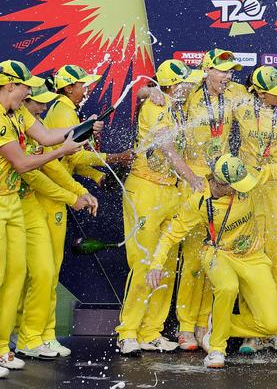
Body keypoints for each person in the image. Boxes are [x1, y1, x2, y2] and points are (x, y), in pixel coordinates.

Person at [146, 152, 277, 369]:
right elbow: (171, 234)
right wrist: (156, 265)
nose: (242, 188)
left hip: (253, 257)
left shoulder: (245, 178)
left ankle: (214, 326)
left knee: (271, 324)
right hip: (219, 254)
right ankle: (217, 349)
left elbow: (273, 171)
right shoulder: (199, 200)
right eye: (234, 186)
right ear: (220, 183)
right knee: (228, 287)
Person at [0, 60, 86, 374]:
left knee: (15, 277)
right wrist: (61, 151)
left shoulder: (18, 112)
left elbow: (48, 135)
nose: (30, 93)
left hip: (13, 202)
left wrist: (80, 127)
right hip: (2, 205)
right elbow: (24, 165)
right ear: (10, 85)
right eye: (26, 87)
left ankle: (3, 350)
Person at [115, 59, 204, 355]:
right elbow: (166, 148)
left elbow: (145, 91)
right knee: (142, 264)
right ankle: (128, 331)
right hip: (145, 190)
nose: (189, 86)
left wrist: (148, 89)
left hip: (170, 192)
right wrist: (193, 179)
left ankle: (151, 331)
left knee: (165, 264)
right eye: (184, 82)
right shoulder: (156, 107)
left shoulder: (174, 105)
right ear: (171, 84)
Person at [42, 64, 132, 356]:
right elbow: (69, 156)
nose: (88, 89)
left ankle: (40, 336)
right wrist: (116, 157)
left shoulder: (67, 109)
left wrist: (96, 177)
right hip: (49, 198)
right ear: (69, 88)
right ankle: (38, 338)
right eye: (83, 85)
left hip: (57, 195)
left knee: (48, 268)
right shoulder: (65, 112)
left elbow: (74, 160)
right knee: (46, 270)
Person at [14, 84, 98, 360]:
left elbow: (50, 167)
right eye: (38, 103)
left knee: (43, 273)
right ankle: (23, 337)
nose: (43, 109)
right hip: (21, 204)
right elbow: (31, 173)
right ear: (22, 100)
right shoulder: (15, 125)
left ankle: (34, 336)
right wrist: (71, 195)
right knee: (21, 276)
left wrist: (80, 191)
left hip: (29, 204)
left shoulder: (30, 124)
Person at [175, 48, 245, 351]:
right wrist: (148, 91)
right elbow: (161, 91)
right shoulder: (189, 93)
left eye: (230, 71)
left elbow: (266, 93)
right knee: (192, 259)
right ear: (206, 70)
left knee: (212, 256)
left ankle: (205, 324)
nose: (227, 76)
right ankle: (185, 326)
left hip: (220, 183)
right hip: (193, 181)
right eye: (221, 70)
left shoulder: (233, 94)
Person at [234, 66, 277, 352]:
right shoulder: (241, 105)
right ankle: (250, 330)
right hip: (249, 188)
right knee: (249, 256)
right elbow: (209, 88)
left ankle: (275, 330)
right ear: (259, 92)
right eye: (275, 91)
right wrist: (149, 92)